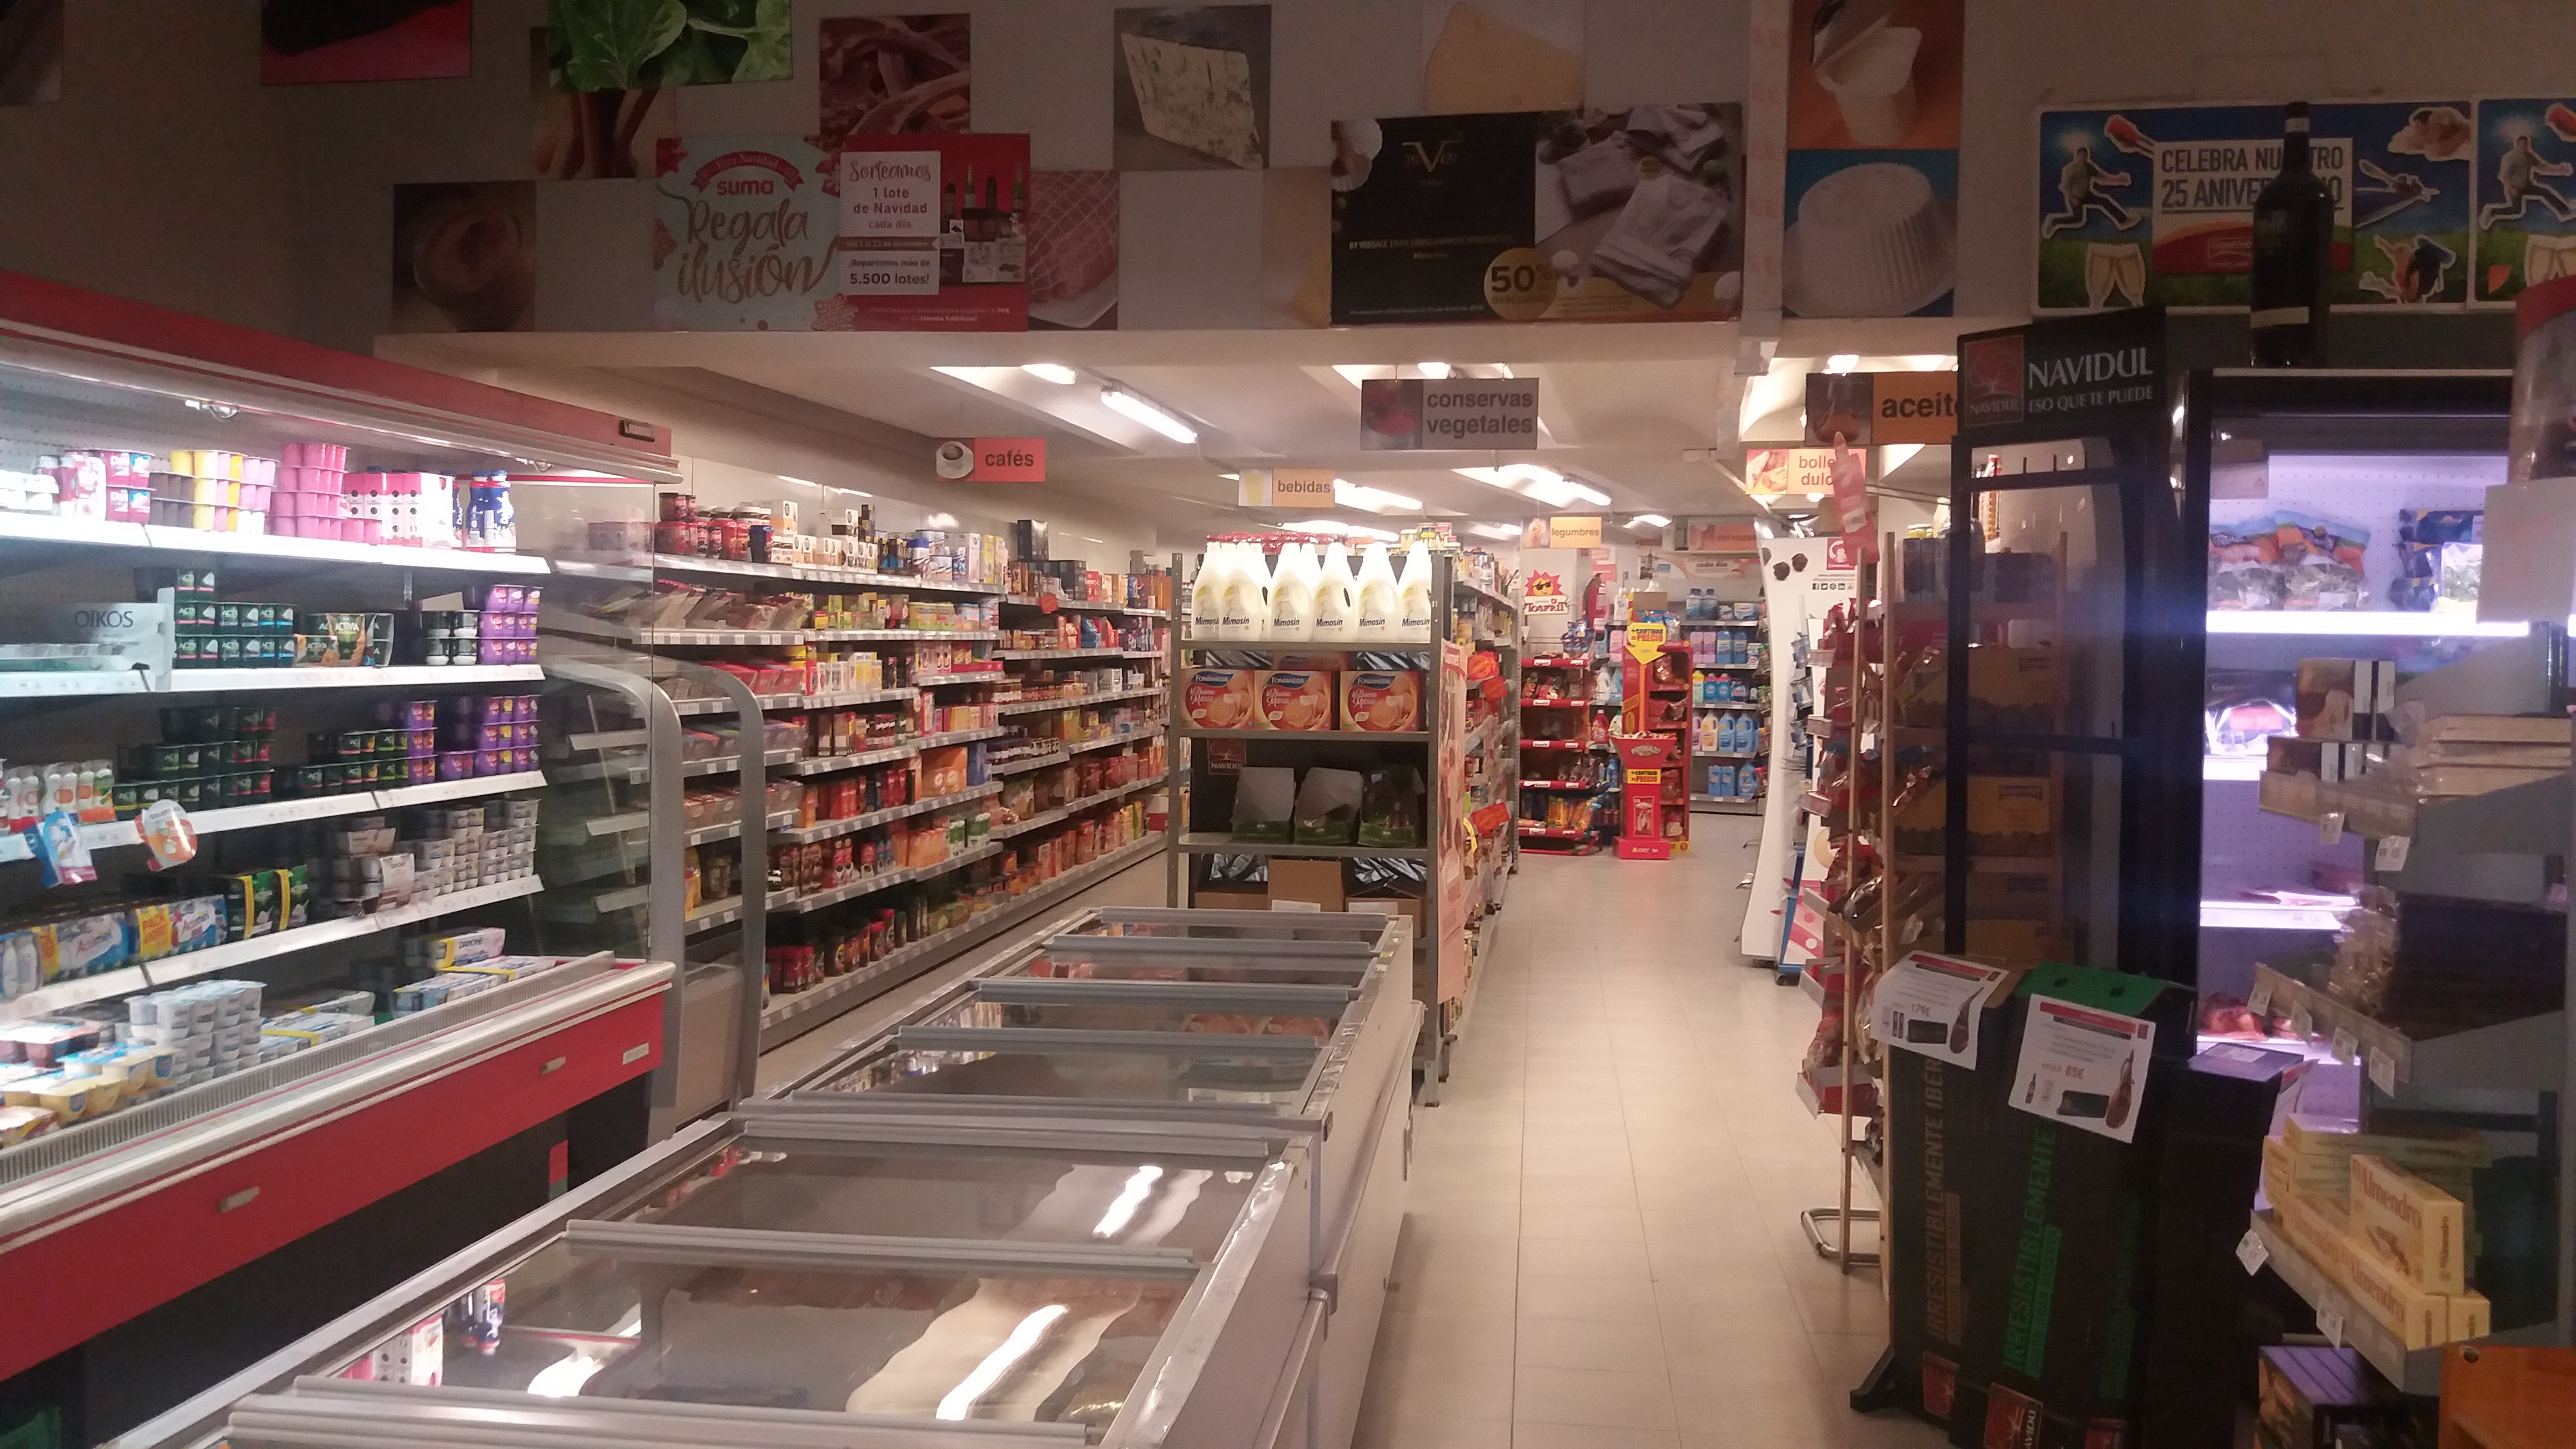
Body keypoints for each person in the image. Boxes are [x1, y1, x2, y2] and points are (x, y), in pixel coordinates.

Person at [2477, 134, 2576, 228]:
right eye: (2522, 144)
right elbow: (2504, 176)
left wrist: (2560, 170)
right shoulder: (2509, 157)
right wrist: (2511, 189)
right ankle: (2491, 211)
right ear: (2517, 145)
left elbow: (2543, 167)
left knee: (2545, 192)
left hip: (2528, 186)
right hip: (2515, 188)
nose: (2524, 147)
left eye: (2526, 144)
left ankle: (2565, 212)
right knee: (2516, 210)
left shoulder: (2530, 156)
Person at [2041, 144, 2137, 237]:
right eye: (2082, 155)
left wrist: (2119, 179)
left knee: (2105, 201)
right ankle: (2053, 221)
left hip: (2087, 195)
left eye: (2086, 155)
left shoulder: (2089, 167)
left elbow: (2102, 178)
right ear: (2077, 156)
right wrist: (2073, 199)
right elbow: (2065, 188)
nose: (2084, 157)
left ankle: (2123, 221)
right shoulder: (2069, 169)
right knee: (2078, 219)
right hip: (2075, 197)